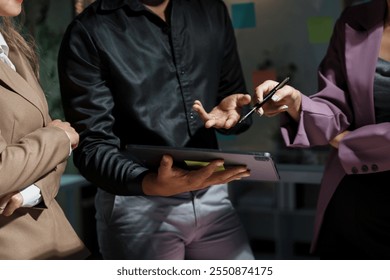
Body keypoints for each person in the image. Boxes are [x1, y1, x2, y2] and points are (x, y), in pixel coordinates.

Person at [58, 0, 254, 260]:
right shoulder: (89, 30)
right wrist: (148, 182)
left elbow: (233, 100)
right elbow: (92, 148)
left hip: (213, 196)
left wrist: (236, 115)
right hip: (137, 204)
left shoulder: (211, 9)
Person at [251, 0, 390, 259]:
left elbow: (341, 136)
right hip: (352, 201)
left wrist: (349, 142)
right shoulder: (355, 19)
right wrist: (297, 102)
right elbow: (335, 105)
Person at [0, 0, 89, 259]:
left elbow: (57, 142)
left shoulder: (12, 46)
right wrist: (58, 138)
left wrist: (32, 191)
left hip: (51, 234)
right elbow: (59, 136)